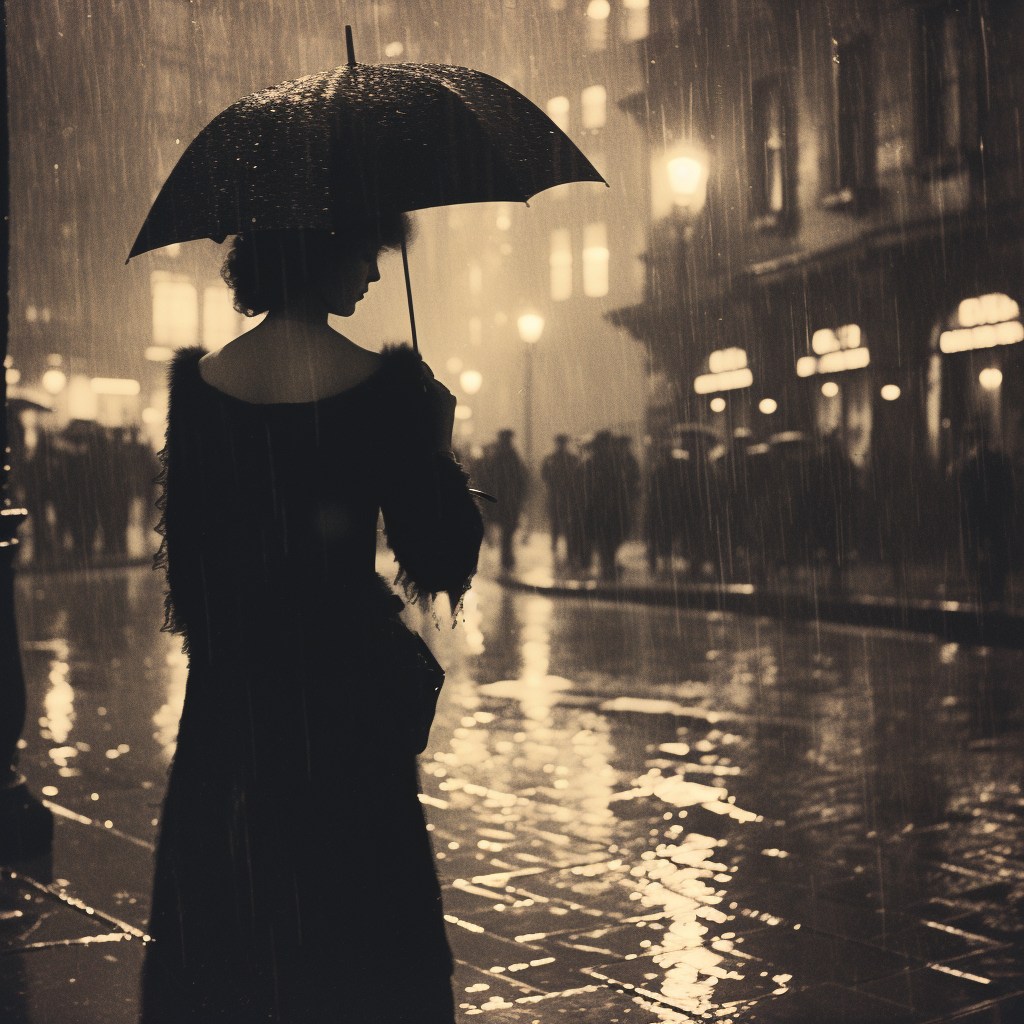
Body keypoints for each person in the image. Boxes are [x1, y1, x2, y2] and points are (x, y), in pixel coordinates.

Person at [140, 216, 484, 1024]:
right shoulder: (385, 387)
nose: (371, 272)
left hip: (234, 703)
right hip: (346, 702)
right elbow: (437, 557)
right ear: (325, 249)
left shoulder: (200, 388)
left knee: (232, 932)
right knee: (357, 936)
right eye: (364, 250)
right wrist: (434, 445)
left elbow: (189, 576)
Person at [476, 429, 528, 570]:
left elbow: (489, 480)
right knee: (508, 529)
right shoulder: (511, 456)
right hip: (509, 500)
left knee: (507, 529)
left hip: (503, 500)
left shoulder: (498, 457)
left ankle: (507, 557)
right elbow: (521, 478)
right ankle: (507, 558)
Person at [541, 434, 578, 558]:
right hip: (565, 495)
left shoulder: (551, 459)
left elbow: (545, 476)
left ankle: (558, 545)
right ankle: (564, 547)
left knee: (560, 522)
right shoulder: (570, 459)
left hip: (560, 495)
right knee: (562, 522)